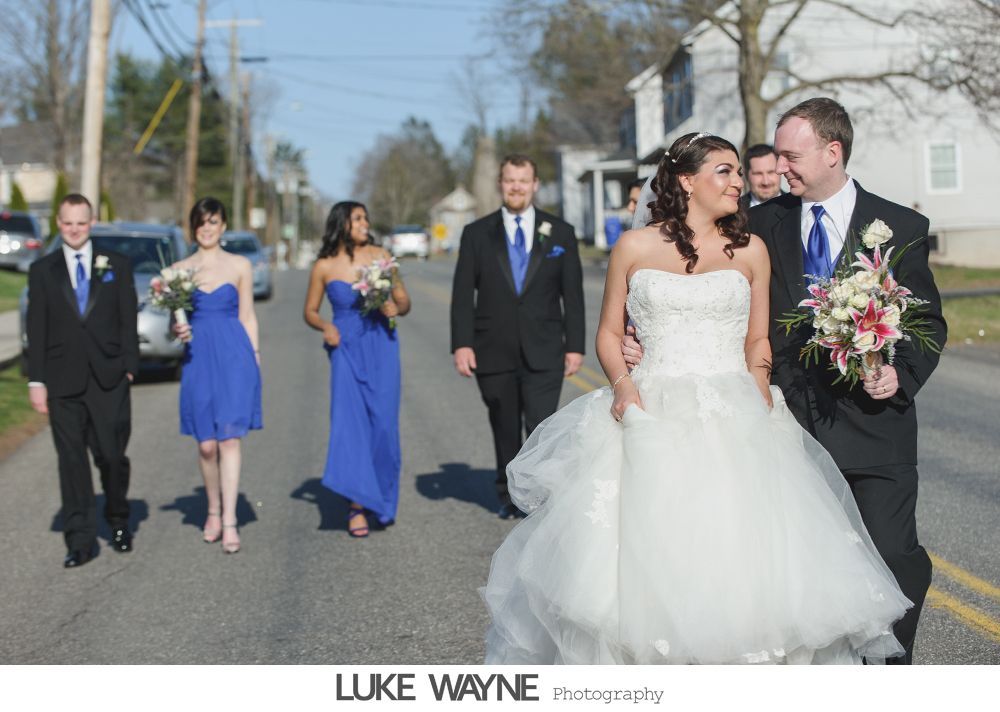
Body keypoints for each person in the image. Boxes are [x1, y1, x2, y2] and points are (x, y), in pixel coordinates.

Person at [482, 132, 912, 665]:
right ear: (687, 180)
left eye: (738, 172)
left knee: (745, 559)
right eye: (725, 172)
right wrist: (623, 387)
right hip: (651, 410)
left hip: (735, 406)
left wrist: (756, 388)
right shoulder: (634, 247)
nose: (740, 182)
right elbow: (609, 334)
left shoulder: (750, 249)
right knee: (650, 563)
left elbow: (758, 338)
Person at [624, 100, 947, 664]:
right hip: (785, 426)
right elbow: (699, 284)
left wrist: (899, 374)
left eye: (792, 157)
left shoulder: (901, 227)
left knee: (895, 556)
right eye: (777, 156)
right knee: (798, 576)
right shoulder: (760, 225)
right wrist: (642, 340)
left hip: (876, 427)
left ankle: (893, 676)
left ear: (832, 152)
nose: (780, 168)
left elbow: (928, 323)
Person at [451, 154, 586, 519]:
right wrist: (462, 343)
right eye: (510, 180)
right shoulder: (477, 233)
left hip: (545, 347)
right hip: (492, 348)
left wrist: (575, 345)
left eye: (523, 181)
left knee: (542, 427)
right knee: (504, 424)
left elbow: (571, 295)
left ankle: (539, 496)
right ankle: (507, 493)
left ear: (535, 185)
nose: (516, 187)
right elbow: (463, 294)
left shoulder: (560, 233)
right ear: (500, 184)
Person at [27, 193, 138, 568]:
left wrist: (130, 366)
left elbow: (128, 320)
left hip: (109, 377)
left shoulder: (117, 265)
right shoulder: (43, 270)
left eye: (81, 222)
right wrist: (36, 381)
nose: (74, 229)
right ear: (58, 224)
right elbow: (36, 328)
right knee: (71, 460)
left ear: (92, 223)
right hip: (62, 380)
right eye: (67, 222)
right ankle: (80, 539)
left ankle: (119, 518)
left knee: (110, 455)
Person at [304, 201, 410, 538]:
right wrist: (325, 326)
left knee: (383, 425)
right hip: (345, 347)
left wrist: (396, 305)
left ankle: (381, 495)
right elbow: (309, 310)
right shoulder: (323, 265)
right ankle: (356, 505)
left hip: (382, 345)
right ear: (341, 223)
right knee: (351, 426)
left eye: (366, 216)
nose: (365, 222)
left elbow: (404, 301)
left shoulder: (382, 256)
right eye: (358, 218)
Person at [172, 197, 262, 554]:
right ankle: (212, 508)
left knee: (229, 440)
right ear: (193, 228)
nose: (207, 228)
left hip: (234, 355)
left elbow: (248, 315)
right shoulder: (180, 270)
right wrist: (176, 329)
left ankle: (229, 521)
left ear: (223, 225)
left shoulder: (240, 265)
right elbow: (175, 318)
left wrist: (255, 357)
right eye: (201, 222)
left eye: (213, 222)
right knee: (207, 445)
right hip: (198, 357)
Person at [739, 143, 782, 210]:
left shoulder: (797, 205)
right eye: (758, 174)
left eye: (771, 172)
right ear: (746, 175)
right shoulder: (734, 210)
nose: (766, 182)